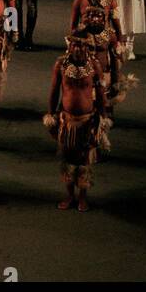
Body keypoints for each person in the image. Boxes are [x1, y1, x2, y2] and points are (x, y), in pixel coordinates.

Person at [44, 33, 107, 213]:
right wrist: (51, 115)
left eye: (82, 46)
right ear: (69, 46)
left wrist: (102, 117)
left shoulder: (94, 65)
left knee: (84, 160)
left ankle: (83, 197)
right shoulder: (61, 65)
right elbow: (54, 91)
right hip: (67, 120)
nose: (78, 49)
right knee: (68, 158)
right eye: (75, 46)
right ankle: (70, 195)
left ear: (87, 47)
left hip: (87, 121)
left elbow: (101, 93)